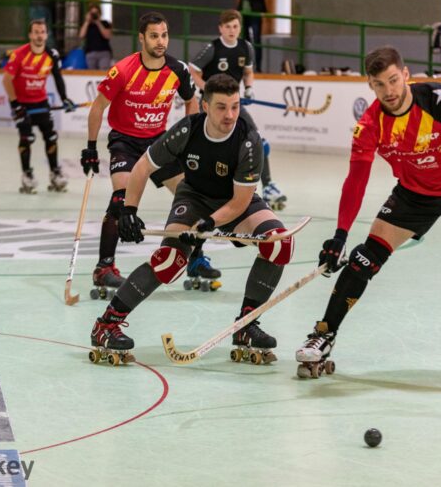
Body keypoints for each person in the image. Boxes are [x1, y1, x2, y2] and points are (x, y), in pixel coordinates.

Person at [294, 46, 441, 386]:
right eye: (379, 84)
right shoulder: (369, 124)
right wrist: (339, 236)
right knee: (362, 260)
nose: (389, 91)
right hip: (413, 195)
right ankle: (323, 334)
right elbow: (356, 181)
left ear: (405, 75)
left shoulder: (440, 99)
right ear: (370, 85)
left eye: (393, 80)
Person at [88, 74, 295, 365]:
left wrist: (209, 223)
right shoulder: (188, 129)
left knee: (279, 245)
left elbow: (240, 203)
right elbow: (144, 165)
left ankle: (247, 325)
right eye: (221, 107)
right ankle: (106, 325)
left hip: (235, 202)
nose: (230, 115)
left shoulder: (249, 140)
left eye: (235, 106)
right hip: (194, 199)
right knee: (169, 261)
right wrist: (128, 210)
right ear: (205, 106)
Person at [80, 11, 205, 298]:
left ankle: (196, 259)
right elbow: (98, 108)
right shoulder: (123, 70)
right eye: (154, 36)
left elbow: (191, 101)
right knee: (120, 201)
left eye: (164, 35)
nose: (161, 41)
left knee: (192, 198)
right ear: (141, 38)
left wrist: (189, 140)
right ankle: (104, 267)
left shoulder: (177, 70)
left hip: (159, 143)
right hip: (125, 142)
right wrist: (90, 147)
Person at [190, 9, 286, 210]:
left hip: (234, 104)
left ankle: (268, 185)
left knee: (257, 140)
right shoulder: (212, 48)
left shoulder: (246, 47)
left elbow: (248, 72)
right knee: (213, 146)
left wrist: (249, 88)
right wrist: (209, 90)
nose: (231, 30)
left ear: (240, 28)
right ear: (221, 28)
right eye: (227, 27)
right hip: (211, 106)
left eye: (235, 26)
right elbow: (193, 70)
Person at [2, 19, 76, 194]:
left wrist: (65, 98)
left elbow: (57, 77)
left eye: (42, 32)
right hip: (21, 103)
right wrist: (15, 105)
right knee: (27, 138)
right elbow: (6, 80)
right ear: (30, 35)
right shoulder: (19, 55)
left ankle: (55, 173)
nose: (39, 36)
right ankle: (27, 175)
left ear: (46, 35)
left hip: (41, 102)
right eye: (36, 32)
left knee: (51, 137)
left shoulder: (51, 55)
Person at [232, 0, 269, 72]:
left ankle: (258, 67)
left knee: (256, 39)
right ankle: (245, 65)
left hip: (255, 12)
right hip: (243, 12)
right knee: (244, 40)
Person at [79, 3, 113, 70]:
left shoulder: (105, 23)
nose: (94, 15)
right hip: (90, 52)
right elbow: (81, 35)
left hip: (104, 52)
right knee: (91, 73)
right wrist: (87, 21)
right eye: (92, 13)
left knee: (104, 72)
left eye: (96, 13)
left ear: (99, 13)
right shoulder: (87, 25)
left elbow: (107, 36)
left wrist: (98, 22)